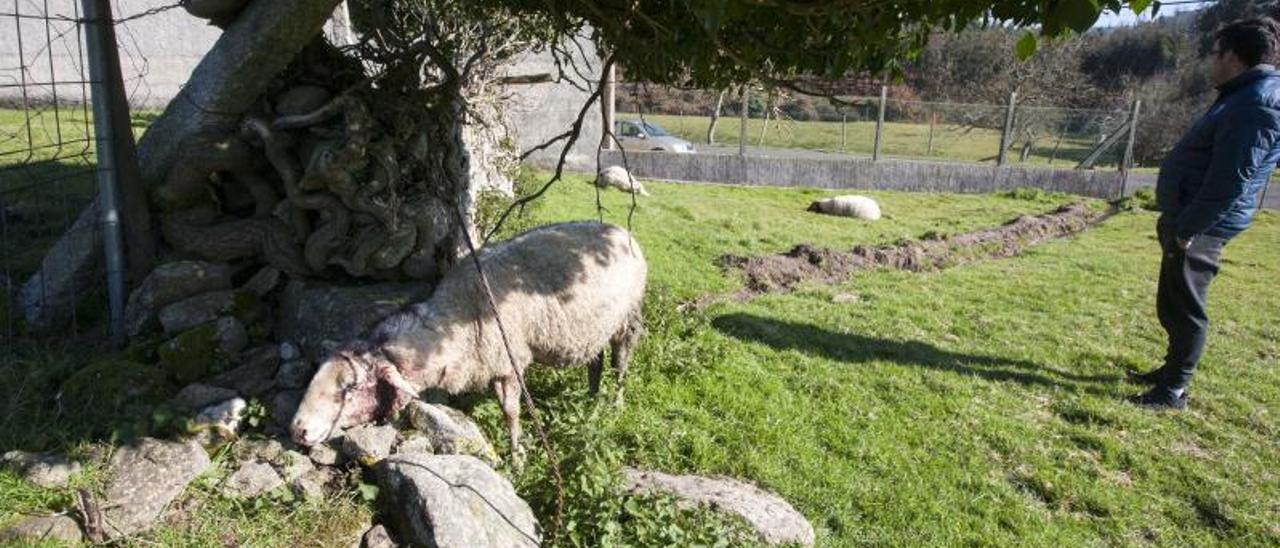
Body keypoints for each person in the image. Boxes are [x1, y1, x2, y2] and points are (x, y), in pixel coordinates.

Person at [1129, 17, 1280, 410]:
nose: (1211, 62)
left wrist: (1189, 227)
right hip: (1191, 220)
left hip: (1200, 226)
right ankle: (1169, 371)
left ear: (1232, 55)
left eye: (1215, 53)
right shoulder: (1242, 95)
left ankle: (1173, 391)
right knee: (1174, 301)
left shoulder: (1255, 103)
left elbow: (1231, 179)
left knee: (1186, 308)